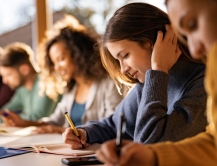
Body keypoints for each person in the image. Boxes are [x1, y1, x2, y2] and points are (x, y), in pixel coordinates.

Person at [86, 1, 217, 166]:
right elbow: (116, 124)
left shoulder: (201, 82)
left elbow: (149, 145)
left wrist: (158, 72)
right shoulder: (148, 84)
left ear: (155, 42)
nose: (123, 69)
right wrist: (85, 133)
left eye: (125, 55)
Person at [4, 15, 124, 134]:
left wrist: (60, 130)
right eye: (54, 63)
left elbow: (113, 127)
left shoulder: (109, 83)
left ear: (78, 54)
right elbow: (54, 122)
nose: (57, 67)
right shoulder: (71, 89)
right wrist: (23, 123)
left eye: (61, 59)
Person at [0, 42, 60, 124]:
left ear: (24, 69)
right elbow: (4, 111)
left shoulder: (46, 81)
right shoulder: (22, 89)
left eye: (8, 75)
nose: (4, 81)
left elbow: (38, 117)